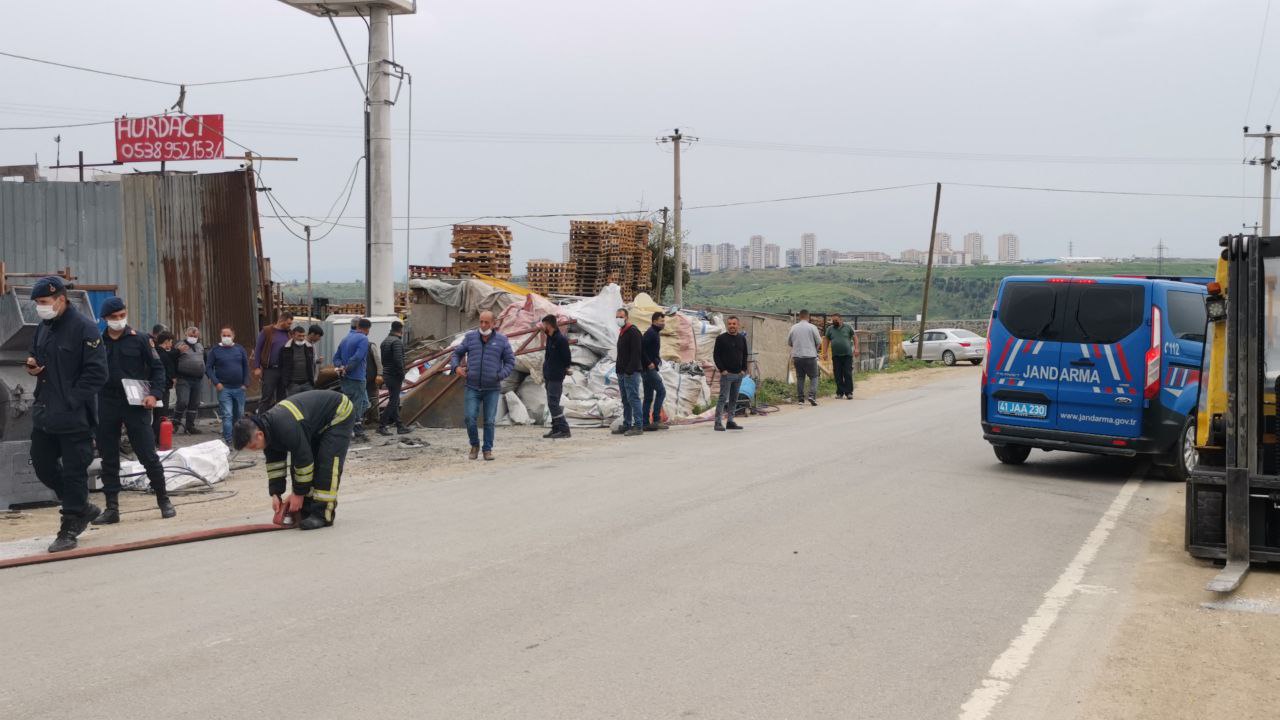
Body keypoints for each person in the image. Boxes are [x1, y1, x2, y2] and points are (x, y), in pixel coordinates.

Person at [25, 276, 108, 553]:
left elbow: (97, 374)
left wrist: (70, 399)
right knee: (42, 464)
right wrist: (34, 365)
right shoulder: (44, 327)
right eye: (37, 303)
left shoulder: (85, 328)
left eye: (44, 302)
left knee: (74, 471)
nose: (40, 307)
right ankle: (82, 506)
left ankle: (70, 525)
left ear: (61, 299)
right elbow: (37, 355)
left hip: (74, 416)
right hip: (45, 412)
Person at [92, 297, 175, 525]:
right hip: (107, 403)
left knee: (147, 453)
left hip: (136, 403)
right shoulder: (98, 343)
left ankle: (163, 500)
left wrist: (154, 394)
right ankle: (112, 508)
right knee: (108, 457)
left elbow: (158, 370)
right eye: (113, 317)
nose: (119, 320)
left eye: (121, 315)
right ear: (105, 319)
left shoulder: (140, 340)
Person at [232, 389, 354, 530]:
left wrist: (298, 493)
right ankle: (307, 510)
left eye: (253, 446)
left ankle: (322, 515)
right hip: (315, 423)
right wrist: (276, 494)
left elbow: (304, 461)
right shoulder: (268, 431)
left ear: (259, 435)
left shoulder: (284, 426)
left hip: (338, 414)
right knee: (301, 468)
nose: (254, 451)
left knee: (326, 465)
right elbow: (275, 466)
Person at [449, 310, 514, 460]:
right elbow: (456, 354)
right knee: (470, 418)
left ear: (494, 323)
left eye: (487, 322)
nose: (483, 325)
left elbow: (510, 362)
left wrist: (499, 375)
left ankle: (487, 450)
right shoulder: (470, 338)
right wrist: (456, 367)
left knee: (489, 421)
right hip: (472, 386)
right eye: (481, 322)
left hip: (492, 388)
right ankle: (474, 445)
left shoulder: (502, 340)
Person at [207, 326, 250, 444]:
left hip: (239, 388)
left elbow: (246, 367)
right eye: (224, 335)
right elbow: (209, 368)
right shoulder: (215, 350)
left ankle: (238, 438)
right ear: (220, 336)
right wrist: (217, 383)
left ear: (233, 336)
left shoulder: (240, 349)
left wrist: (246, 383)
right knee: (227, 415)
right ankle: (229, 440)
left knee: (239, 415)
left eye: (228, 335)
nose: (226, 337)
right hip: (224, 388)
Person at [333, 318, 372, 441]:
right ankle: (355, 429)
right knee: (357, 404)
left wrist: (341, 367)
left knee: (362, 403)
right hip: (356, 377)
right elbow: (358, 357)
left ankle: (351, 427)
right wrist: (347, 368)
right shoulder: (363, 339)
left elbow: (336, 357)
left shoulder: (345, 339)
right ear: (367, 329)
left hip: (345, 378)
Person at [713, 315, 749, 432]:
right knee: (723, 398)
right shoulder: (721, 339)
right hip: (726, 375)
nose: (732, 326)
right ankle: (718, 422)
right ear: (727, 325)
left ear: (738, 325)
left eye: (734, 324)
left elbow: (745, 355)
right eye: (730, 324)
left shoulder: (742, 339)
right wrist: (722, 369)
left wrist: (743, 370)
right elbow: (716, 356)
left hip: (738, 374)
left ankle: (730, 421)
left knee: (734, 398)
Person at [253, 312, 294, 412]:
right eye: (288, 323)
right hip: (270, 370)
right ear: (281, 321)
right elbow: (258, 349)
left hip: (284, 370)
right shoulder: (267, 331)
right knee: (267, 396)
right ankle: (261, 420)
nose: (290, 326)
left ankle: (279, 420)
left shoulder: (289, 333)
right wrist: (257, 367)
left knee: (282, 398)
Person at [540, 314, 572, 439]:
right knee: (552, 402)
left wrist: (562, 370)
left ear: (549, 325)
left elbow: (567, 358)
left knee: (553, 403)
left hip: (556, 376)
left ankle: (564, 429)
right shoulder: (550, 338)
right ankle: (555, 428)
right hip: (549, 375)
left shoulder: (560, 340)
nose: (543, 327)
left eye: (544, 325)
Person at [614, 308, 644, 437]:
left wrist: (629, 370)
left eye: (621, 317)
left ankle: (638, 425)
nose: (618, 319)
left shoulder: (633, 331)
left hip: (630, 372)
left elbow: (636, 353)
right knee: (625, 400)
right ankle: (627, 424)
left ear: (626, 317)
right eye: (617, 317)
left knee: (633, 398)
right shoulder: (622, 332)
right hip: (622, 372)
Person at [378, 320, 411, 436]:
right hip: (394, 375)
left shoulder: (385, 341)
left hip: (387, 374)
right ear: (401, 330)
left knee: (395, 400)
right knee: (393, 401)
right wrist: (402, 373)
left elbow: (383, 360)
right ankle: (382, 425)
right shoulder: (396, 342)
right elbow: (398, 360)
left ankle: (399, 426)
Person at [173, 326, 206, 433]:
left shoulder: (200, 346)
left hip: (197, 379)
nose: (193, 337)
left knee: (194, 403)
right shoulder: (179, 345)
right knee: (182, 401)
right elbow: (173, 359)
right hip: (183, 379)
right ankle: (175, 423)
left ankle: (190, 426)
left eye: (195, 336)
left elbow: (204, 359)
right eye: (191, 335)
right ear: (186, 334)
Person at [641, 311, 669, 432]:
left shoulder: (655, 333)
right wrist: (649, 362)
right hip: (648, 369)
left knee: (648, 397)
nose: (663, 323)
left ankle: (646, 423)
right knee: (661, 391)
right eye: (661, 321)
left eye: (664, 321)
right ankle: (656, 419)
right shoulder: (651, 333)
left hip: (647, 369)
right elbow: (641, 349)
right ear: (654, 321)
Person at [788, 309, 822, 406]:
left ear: (799, 317)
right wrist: (814, 350)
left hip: (797, 357)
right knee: (814, 377)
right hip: (810, 356)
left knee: (800, 378)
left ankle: (800, 400)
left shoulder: (793, 328)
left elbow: (789, 342)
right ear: (808, 316)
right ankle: (811, 395)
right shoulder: (812, 327)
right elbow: (819, 342)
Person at [822, 313, 858, 399]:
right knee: (838, 374)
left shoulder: (848, 327)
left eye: (836, 320)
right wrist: (825, 352)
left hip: (847, 355)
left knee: (847, 373)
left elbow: (855, 337)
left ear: (841, 320)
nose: (834, 322)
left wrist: (856, 349)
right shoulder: (830, 329)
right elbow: (826, 340)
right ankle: (840, 393)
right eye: (833, 321)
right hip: (836, 355)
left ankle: (849, 392)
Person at [151, 330, 178, 443]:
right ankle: (159, 439)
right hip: (163, 388)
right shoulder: (163, 355)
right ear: (166, 342)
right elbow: (169, 372)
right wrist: (173, 380)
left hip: (153, 387)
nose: (171, 344)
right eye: (171, 342)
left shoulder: (154, 352)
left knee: (154, 415)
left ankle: (153, 438)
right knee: (161, 414)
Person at [280, 325, 316, 397]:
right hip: (292, 385)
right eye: (299, 336)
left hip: (307, 384)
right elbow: (282, 366)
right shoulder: (286, 348)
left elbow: (312, 364)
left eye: (303, 336)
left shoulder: (309, 347)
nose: (302, 338)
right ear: (293, 335)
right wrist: (286, 383)